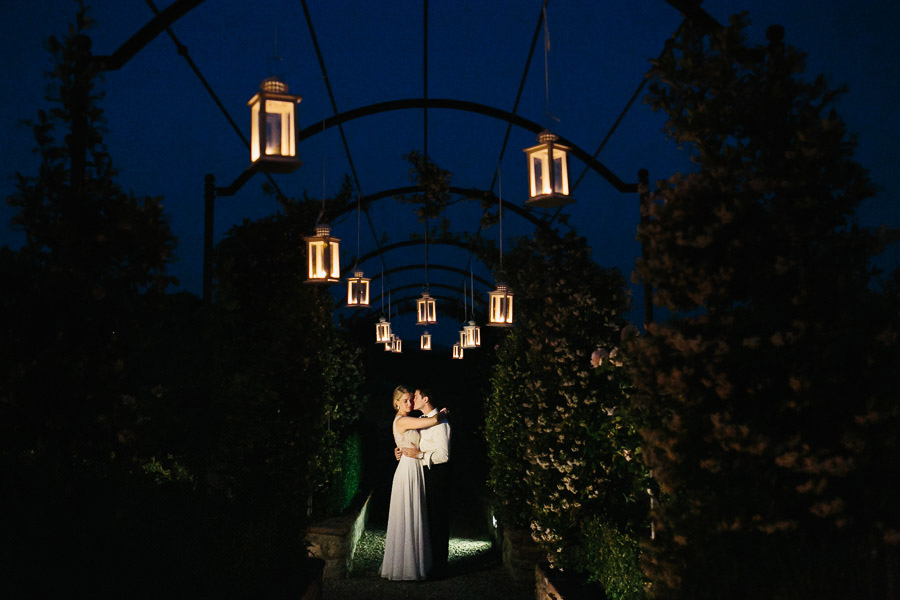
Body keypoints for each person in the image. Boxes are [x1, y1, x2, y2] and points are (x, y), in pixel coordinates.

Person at [380, 385, 447, 581]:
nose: (409, 403)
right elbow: (431, 421)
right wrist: (442, 412)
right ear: (396, 403)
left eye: (411, 399)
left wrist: (399, 450)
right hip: (409, 469)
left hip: (414, 466)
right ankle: (406, 566)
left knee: (415, 512)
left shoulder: (410, 420)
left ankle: (415, 561)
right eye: (405, 401)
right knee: (408, 513)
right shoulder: (402, 420)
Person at [396, 388, 452, 579]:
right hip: (420, 472)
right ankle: (423, 563)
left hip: (435, 474)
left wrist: (418, 455)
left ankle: (439, 568)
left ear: (425, 399)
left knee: (437, 520)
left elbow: (444, 455)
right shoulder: (425, 419)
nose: (412, 401)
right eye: (407, 400)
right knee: (424, 519)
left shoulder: (440, 421)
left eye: (415, 398)